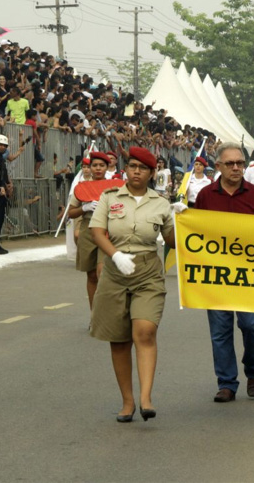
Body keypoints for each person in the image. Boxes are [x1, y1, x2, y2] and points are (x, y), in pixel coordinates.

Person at [175, 143, 254, 403]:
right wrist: (184, 218)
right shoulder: (206, 196)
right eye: (230, 163)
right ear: (218, 166)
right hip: (216, 275)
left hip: (249, 276)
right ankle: (226, 383)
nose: (236, 168)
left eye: (240, 163)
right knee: (220, 331)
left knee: (251, 326)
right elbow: (198, 234)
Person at [89, 147, 175, 423]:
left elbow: (173, 241)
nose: (136, 171)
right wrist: (114, 255)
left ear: (152, 173)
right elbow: (97, 231)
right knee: (119, 339)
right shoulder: (109, 197)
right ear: (125, 169)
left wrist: (183, 220)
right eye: (132, 166)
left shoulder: (161, 203)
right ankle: (127, 402)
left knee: (145, 330)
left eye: (143, 168)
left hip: (147, 269)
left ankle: (145, 397)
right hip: (115, 270)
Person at [68, 152, 110, 309]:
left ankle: (106, 313)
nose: (98, 169)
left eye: (101, 165)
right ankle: (94, 314)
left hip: (108, 230)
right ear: (89, 168)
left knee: (103, 273)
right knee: (91, 275)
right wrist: (84, 208)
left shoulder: (115, 187)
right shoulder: (81, 188)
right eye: (95, 165)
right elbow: (71, 212)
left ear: (107, 168)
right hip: (88, 228)